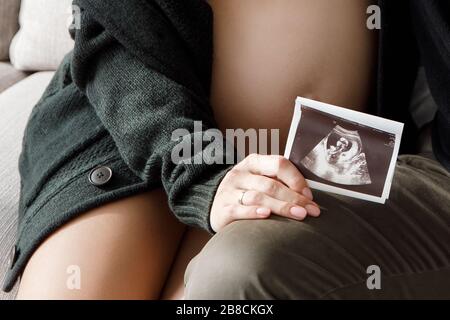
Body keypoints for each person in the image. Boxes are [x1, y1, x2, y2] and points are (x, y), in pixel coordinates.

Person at [3, 0, 449, 299]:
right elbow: (113, 42)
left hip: (321, 148)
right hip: (136, 125)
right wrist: (202, 175)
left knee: (216, 295)